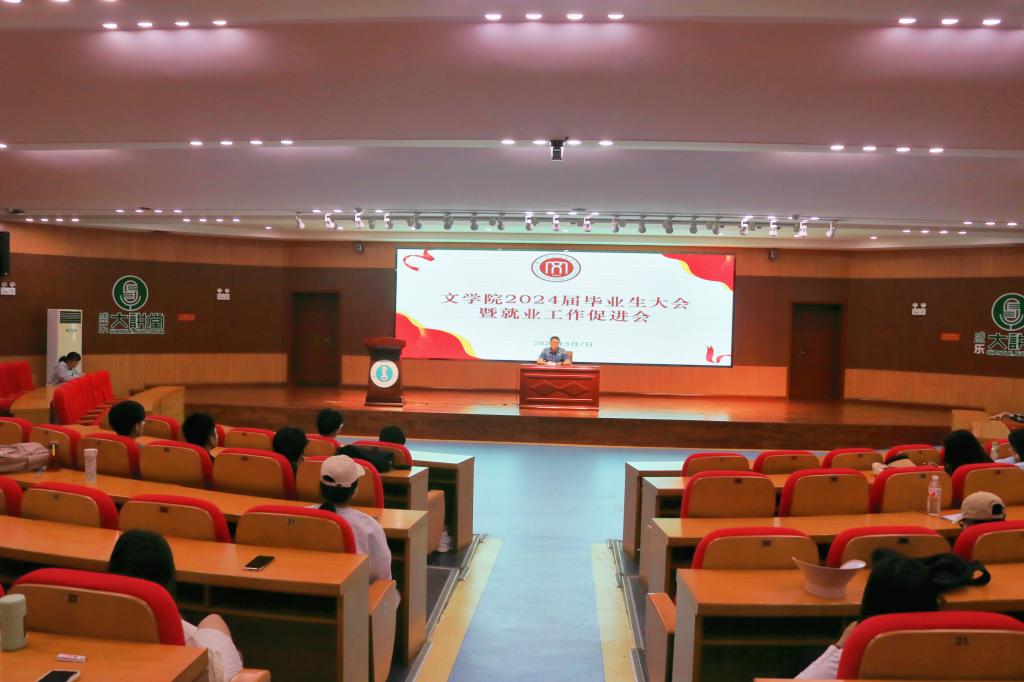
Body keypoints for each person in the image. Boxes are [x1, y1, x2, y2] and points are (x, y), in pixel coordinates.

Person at [796, 549, 955, 679]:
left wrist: (839, 646)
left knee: (806, 656)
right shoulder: (955, 650)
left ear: (871, 600)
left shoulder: (858, 652)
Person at [108, 530, 243, 682]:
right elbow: (210, 671)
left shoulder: (99, 614)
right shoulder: (170, 627)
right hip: (203, 672)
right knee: (214, 620)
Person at [315, 454, 393, 582]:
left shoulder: (302, 515)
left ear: (320, 487)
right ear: (355, 491)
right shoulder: (369, 526)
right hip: (354, 592)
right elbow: (382, 574)